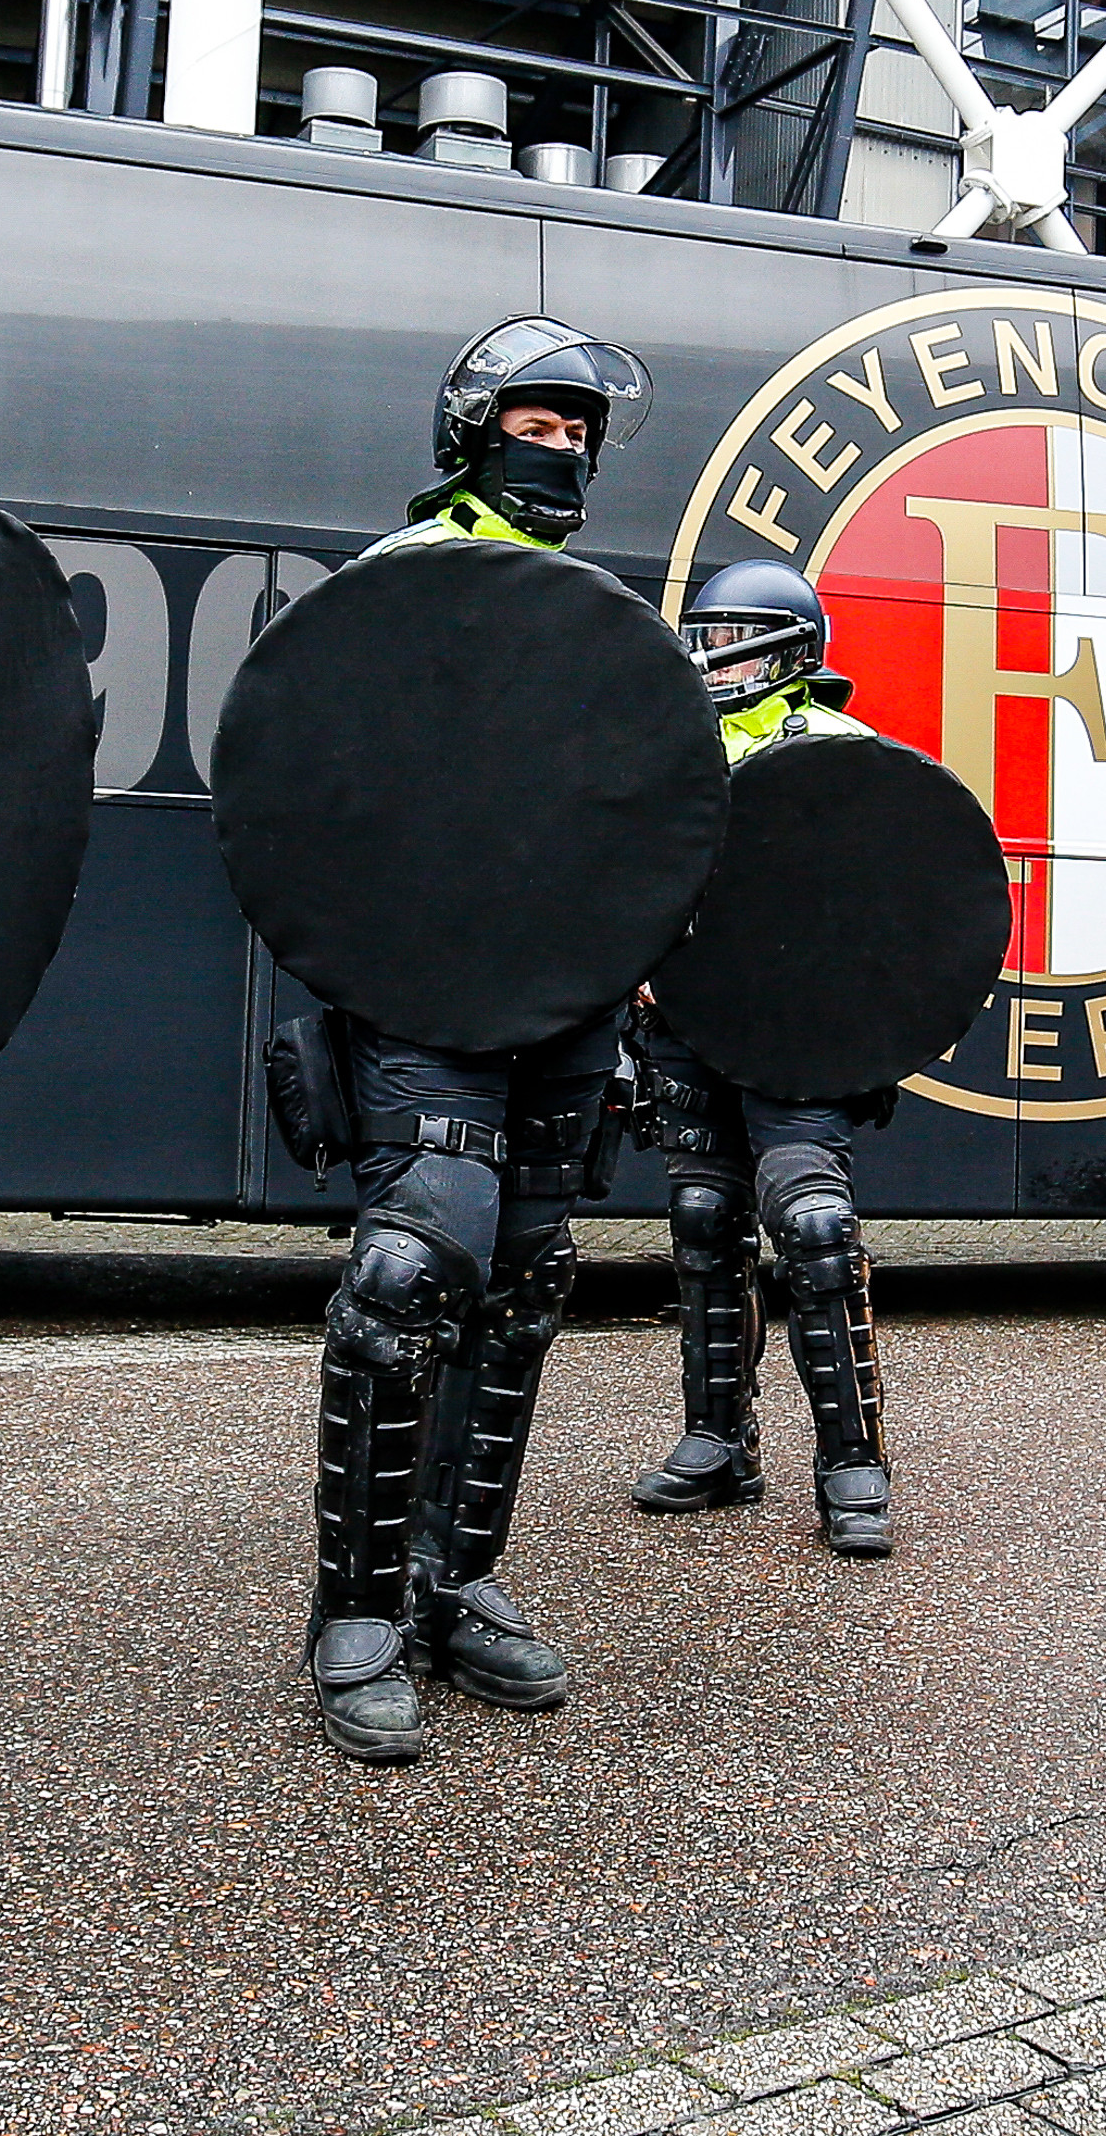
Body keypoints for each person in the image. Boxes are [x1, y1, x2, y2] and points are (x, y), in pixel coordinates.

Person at [305, 317, 654, 1767]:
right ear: (471, 428)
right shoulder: (394, 584)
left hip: (563, 1001)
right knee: (410, 1269)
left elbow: (629, 812)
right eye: (536, 421)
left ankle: (455, 1580)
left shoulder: (590, 611)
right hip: (427, 993)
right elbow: (313, 784)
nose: (558, 448)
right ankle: (358, 1612)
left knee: (525, 1279)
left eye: (578, 430)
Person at [626, 560, 895, 1556]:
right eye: (702, 630)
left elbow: (899, 901)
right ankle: (718, 1437)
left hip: (798, 1041)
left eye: (731, 632)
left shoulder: (842, 751)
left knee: (815, 1227)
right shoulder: (675, 748)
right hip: (689, 1030)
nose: (707, 651)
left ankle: (852, 1458)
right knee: (704, 1220)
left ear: (789, 648)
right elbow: (635, 879)